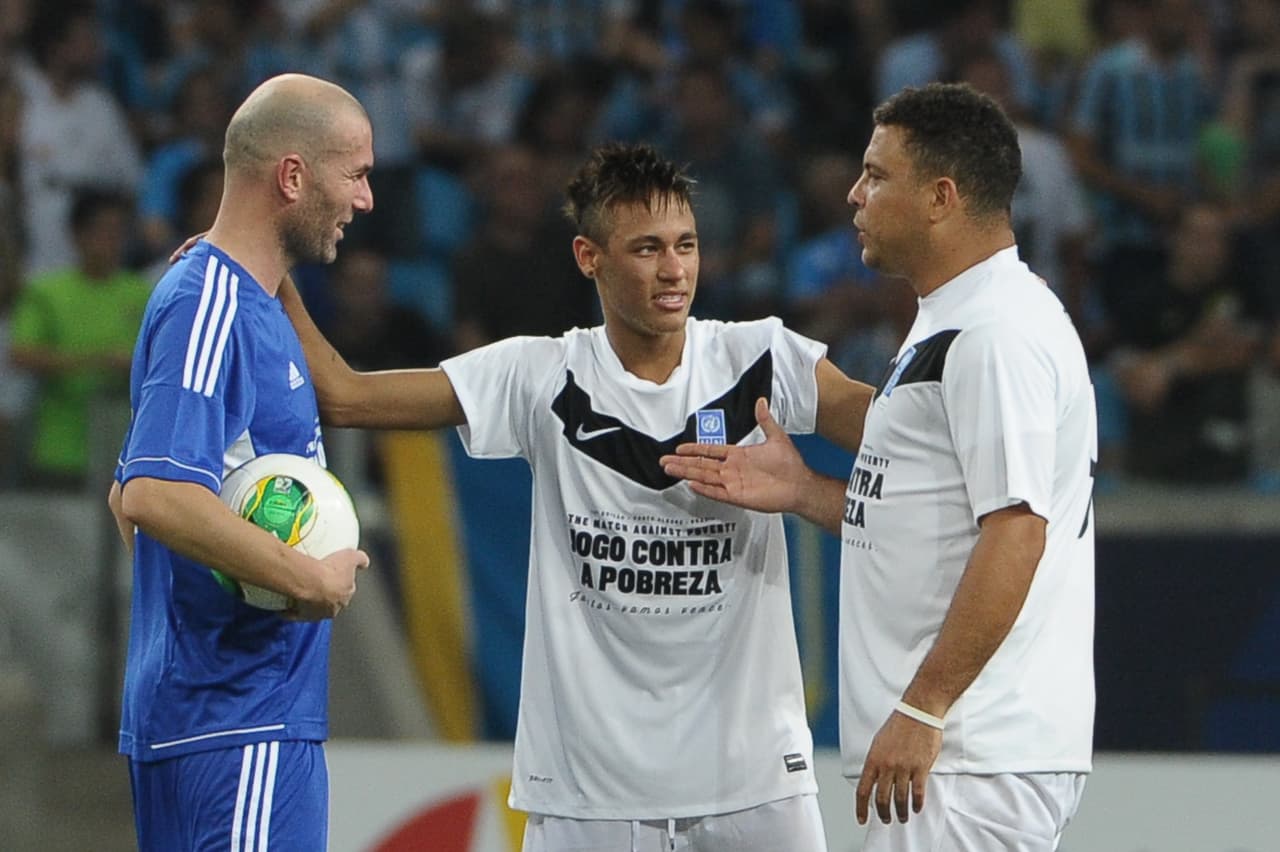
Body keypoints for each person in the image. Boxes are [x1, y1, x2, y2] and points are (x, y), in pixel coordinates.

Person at [278, 141, 873, 852]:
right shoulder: (538, 375)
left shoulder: (763, 360)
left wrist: (807, 489)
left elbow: (909, 446)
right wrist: (265, 267)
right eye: (647, 248)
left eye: (686, 245)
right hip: (586, 795)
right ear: (589, 257)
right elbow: (342, 396)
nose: (675, 268)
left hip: (754, 783)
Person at [663, 83, 1097, 850]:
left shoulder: (997, 335)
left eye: (876, 174)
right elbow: (927, 516)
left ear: (941, 197)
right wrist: (805, 491)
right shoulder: (954, 318)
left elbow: (1018, 531)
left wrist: (925, 708)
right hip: (960, 756)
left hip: (972, 753)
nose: (855, 194)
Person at [105, 73, 373, 852]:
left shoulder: (240, 301)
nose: (365, 201)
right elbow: (153, 495)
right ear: (293, 176)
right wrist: (302, 580)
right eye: (354, 174)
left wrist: (223, 585)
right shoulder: (207, 303)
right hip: (237, 718)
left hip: (224, 715)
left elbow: (126, 494)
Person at [9, 189, 151, 488]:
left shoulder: (142, 292)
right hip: (59, 445)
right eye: (101, 231)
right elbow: (21, 353)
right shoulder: (46, 292)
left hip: (127, 444)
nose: (110, 241)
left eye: (118, 232)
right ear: (76, 234)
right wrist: (97, 361)